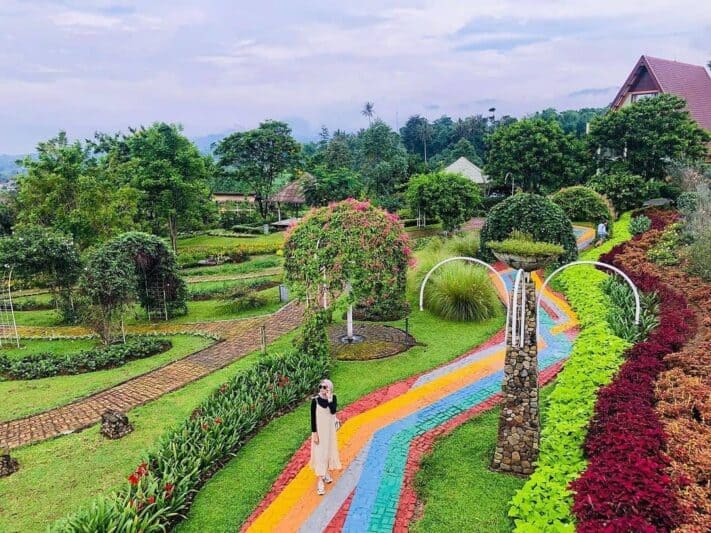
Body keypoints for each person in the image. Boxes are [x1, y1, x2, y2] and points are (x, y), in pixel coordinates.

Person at [310, 378, 342, 495]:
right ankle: (320, 481)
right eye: (320, 387)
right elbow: (313, 419)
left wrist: (329, 398)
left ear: (329, 388)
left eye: (325, 387)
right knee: (320, 455)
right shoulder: (315, 400)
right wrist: (314, 434)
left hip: (329, 432)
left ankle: (326, 473)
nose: (322, 389)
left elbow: (333, 411)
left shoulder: (333, 398)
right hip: (319, 432)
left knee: (328, 452)